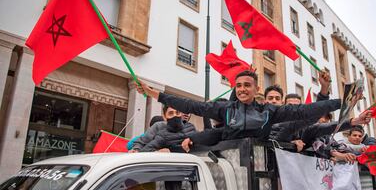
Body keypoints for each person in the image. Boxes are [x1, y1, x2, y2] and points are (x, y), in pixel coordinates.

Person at [135, 70, 342, 142]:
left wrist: (339, 102)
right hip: (227, 165)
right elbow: (191, 105)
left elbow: (304, 111)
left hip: (260, 167)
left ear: (256, 88)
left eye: (247, 85)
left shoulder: (269, 110)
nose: (242, 89)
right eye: (239, 85)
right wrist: (154, 93)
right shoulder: (225, 109)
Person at [131, 105, 196, 152]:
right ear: (164, 117)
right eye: (171, 113)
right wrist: (136, 150)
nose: (175, 115)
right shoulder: (158, 127)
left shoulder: (190, 128)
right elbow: (141, 143)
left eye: (177, 112)